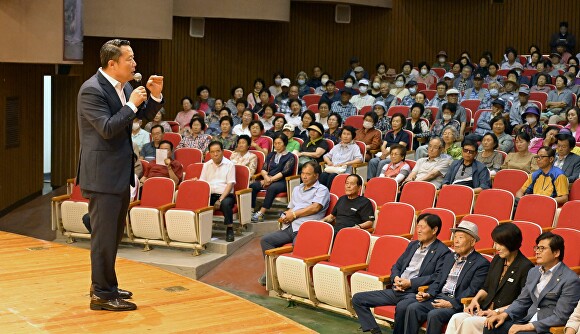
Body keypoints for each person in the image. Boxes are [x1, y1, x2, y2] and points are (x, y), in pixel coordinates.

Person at [77, 39, 164, 311]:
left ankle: (107, 286)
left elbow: (139, 119)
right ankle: (101, 295)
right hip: (102, 175)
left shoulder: (124, 86)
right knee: (103, 237)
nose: (135, 64)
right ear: (112, 63)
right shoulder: (91, 90)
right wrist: (132, 105)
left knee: (113, 235)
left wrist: (155, 96)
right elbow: (106, 128)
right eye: (130, 59)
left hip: (119, 172)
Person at [352, 213, 451, 334]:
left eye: (422, 227)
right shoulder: (413, 245)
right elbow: (397, 266)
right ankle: (375, 330)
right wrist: (396, 278)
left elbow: (436, 276)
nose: (418, 231)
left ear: (434, 230)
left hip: (414, 292)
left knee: (403, 307)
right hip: (397, 289)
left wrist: (410, 283)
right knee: (358, 299)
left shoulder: (443, 252)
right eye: (417, 227)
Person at [445, 223, 534, 334]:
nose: (496, 248)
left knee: (469, 322)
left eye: (499, 244)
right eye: (495, 243)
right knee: (456, 318)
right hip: (485, 310)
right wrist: (475, 300)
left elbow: (522, 301)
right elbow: (486, 287)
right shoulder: (497, 259)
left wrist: (497, 312)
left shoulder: (526, 267)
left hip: (503, 316)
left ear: (511, 243)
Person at [483, 232, 580, 334]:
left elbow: (560, 317)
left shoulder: (570, 279)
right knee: (491, 326)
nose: (537, 252)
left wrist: (524, 327)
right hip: (526, 319)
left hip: (545, 328)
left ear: (556, 253)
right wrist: (504, 315)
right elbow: (522, 301)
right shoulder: (534, 272)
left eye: (542, 248)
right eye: (537, 248)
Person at [403, 221, 490, 334]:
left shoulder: (481, 263)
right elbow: (439, 279)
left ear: (472, 241)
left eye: (460, 238)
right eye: (455, 237)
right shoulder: (449, 257)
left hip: (457, 303)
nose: (456, 241)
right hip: (439, 297)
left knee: (434, 315)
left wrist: (451, 304)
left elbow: (472, 290)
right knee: (413, 308)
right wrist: (428, 293)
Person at [258, 160, 330, 285]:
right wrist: (286, 215)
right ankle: (271, 270)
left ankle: (295, 280)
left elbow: (315, 207)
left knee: (298, 246)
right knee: (266, 240)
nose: (304, 176)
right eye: (302, 173)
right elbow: (291, 207)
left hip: (307, 228)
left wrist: (295, 214)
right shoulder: (297, 188)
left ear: (316, 175)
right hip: (291, 226)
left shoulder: (322, 190)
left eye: (308, 174)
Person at [250, 133, 297, 223]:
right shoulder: (271, 154)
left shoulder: (290, 156)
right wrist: (266, 177)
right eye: (275, 143)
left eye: (279, 143)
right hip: (268, 178)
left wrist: (270, 180)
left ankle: (261, 213)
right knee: (253, 186)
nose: (277, 145)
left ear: (285, 143)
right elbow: (264, 169)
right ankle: (252, 210)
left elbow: (284, 172)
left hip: (282, 181)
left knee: (272, 188)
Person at [196, 141, 236, 242]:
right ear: (209, 153)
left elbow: (230, 184)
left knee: (226, 204)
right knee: (197, 203)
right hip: (209, 194)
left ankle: (230, 229)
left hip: (225, 195)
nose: (215, 154)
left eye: (218, 151)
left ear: (222, 151)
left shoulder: (230, 164)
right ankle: (200, 231)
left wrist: (220, 199)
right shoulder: (206, 165)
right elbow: (202, 182)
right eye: (212, 152)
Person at [368, 113, 409, 179]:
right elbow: (383, 145)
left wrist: (386, 153)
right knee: (373, 161)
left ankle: (378, 181)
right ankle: (370, 180)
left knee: (382, 163)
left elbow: (399, 147)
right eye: (393, 121)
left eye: (397, 121)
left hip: (396, 156)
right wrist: (384, 152)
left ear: (402, 124)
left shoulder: (405, 134)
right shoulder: (389, 133)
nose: (394, 123)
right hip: (385, 155)